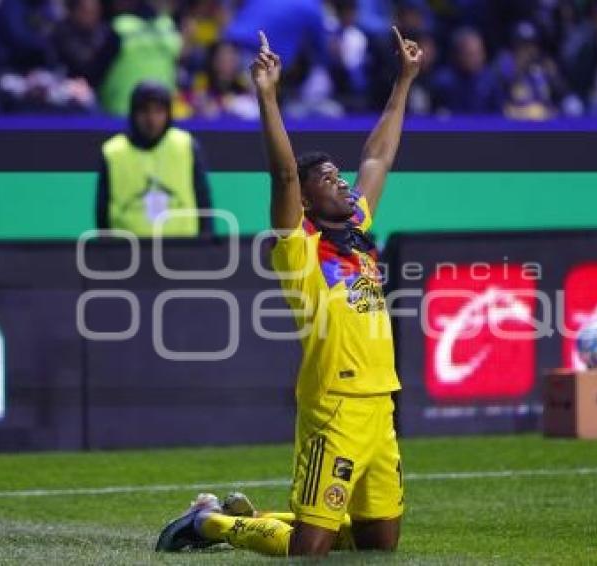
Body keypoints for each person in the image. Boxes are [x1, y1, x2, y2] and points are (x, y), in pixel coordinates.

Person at [155, 26, 422, 557]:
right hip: (334, 407)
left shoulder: (358, 234)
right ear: (304, 201)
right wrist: (267, 95)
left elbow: (378, 158)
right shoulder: (299, 248)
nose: (343, 181)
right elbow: (282, 173)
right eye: (326, 179)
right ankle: (210, 524)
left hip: (380, 407)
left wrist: (404, 81)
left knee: (375, 547)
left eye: (337, 174)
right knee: (309, 549)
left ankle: (248, 516)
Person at [96, 80, 213, 237]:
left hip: (184, 250)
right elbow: (102, 213)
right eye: (144, 111)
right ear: (133, 114)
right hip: (127, 253)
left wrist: (205, 248)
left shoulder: (186, 146)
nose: (151, 119)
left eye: (158, 111)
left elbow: (203, 202)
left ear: (168, 114)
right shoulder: (113, 152)